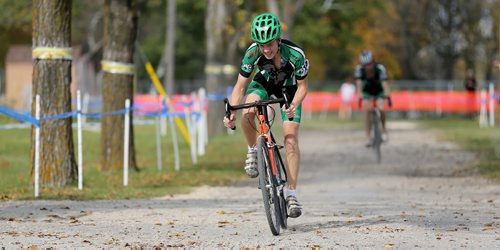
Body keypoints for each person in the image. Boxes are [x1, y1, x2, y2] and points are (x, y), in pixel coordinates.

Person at [223, 13, 309, 218]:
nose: (266, 49)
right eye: (262, 45)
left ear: (279, 40)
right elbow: (240, 87)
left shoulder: (296, 55)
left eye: (270, 44)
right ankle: (253, 149)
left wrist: (294, 104)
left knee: (290, 141)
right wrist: (230, 112)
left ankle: (291, 192)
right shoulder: (252, 53)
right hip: (264, 84)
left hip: (289, 90)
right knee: (248, 111)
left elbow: (303, 87)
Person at [354, 50, 390, 146]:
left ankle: (384, 130)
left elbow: (384, 83)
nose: (367, 67)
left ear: (373, 62)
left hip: (379, 89)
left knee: (381, 108)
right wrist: (360, 94)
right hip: (367, 90)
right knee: (367, 110)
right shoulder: (359, 69)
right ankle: (368, 136)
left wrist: (387, 94)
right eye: (365, 65)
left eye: (369, 64)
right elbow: (358, 83)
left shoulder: (380, 68)